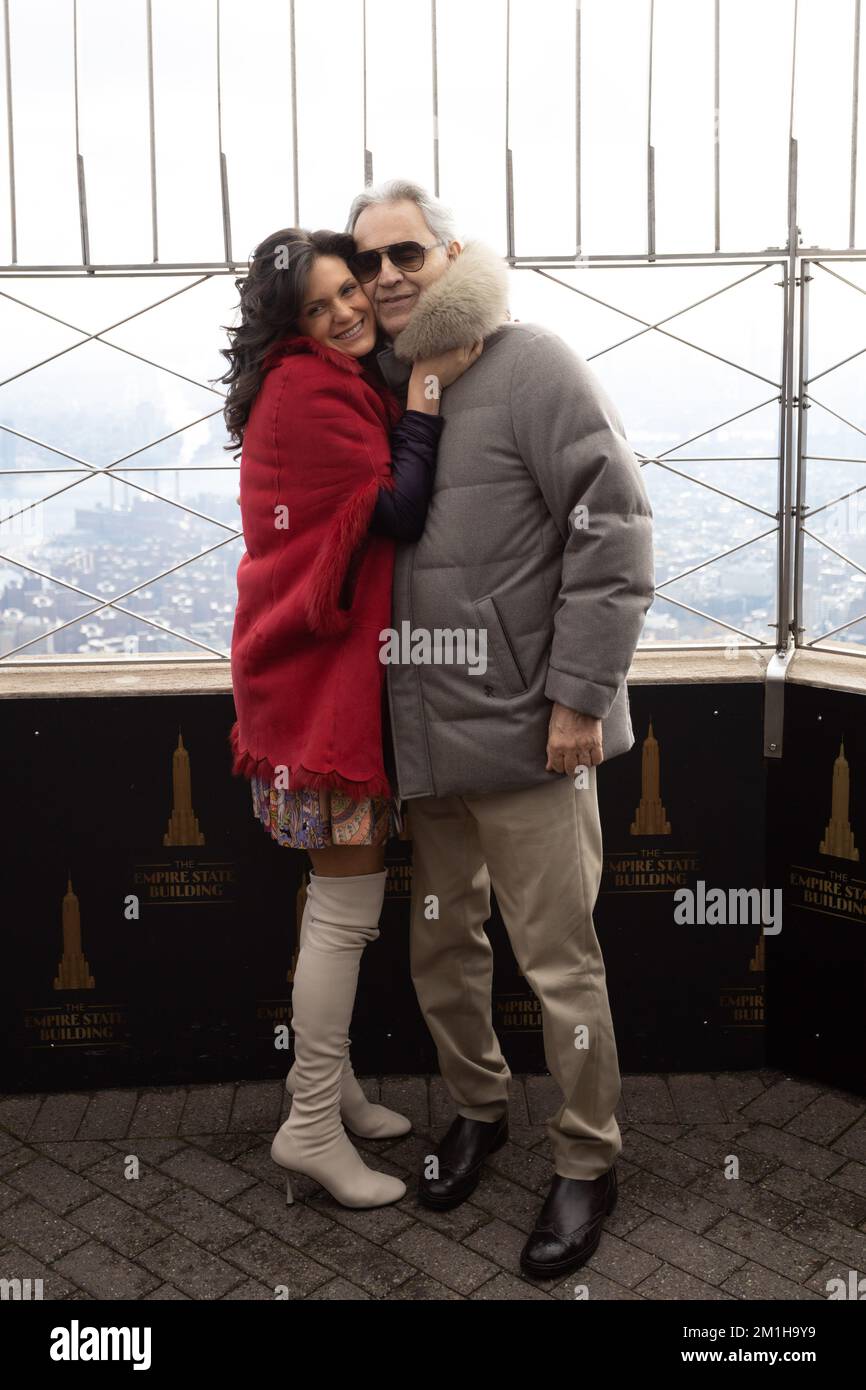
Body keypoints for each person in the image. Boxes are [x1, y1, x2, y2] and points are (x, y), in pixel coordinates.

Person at [344, 179, 655, 1275]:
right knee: (442, 948)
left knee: (559, 963)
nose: (384, 274)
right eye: (367, 258)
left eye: (405, 254)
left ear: (448, 254)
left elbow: (612, 525)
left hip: (532, 737)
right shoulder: (382, 393)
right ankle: (475, 1112)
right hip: (429, 747)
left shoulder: (533, 365)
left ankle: (585, 1159)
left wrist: (577, 694)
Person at [221, 225, 482, 1209]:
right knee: (342, 915)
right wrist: (423, 390)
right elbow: (400, 507)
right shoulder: (311, 392)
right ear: (290, 324)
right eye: (320, 302)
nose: (345, 309)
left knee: (331, 912)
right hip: (317, 711)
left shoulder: (307, 384)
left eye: (350, 290)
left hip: (299, 697)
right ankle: (309, 1126)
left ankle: (325, 1088)